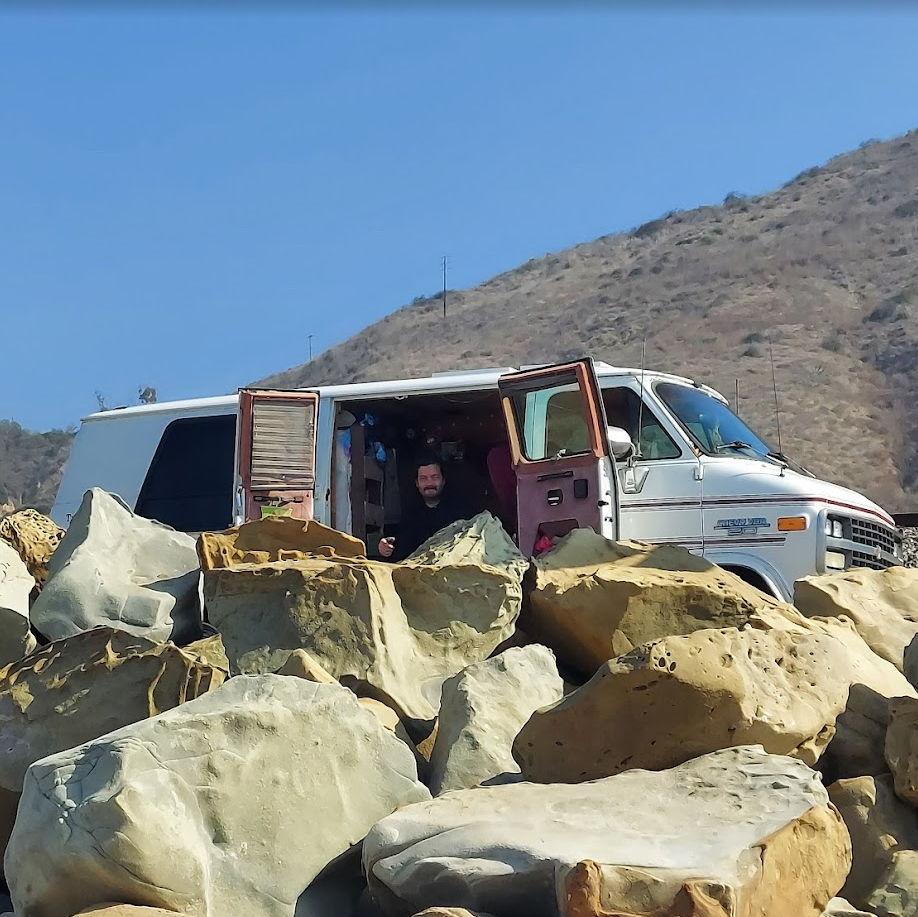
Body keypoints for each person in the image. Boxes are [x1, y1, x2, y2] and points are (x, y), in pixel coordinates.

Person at [378, 454, 464, 561]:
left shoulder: (460, 511)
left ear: (443, 481)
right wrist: (384, 547)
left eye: (435, 477)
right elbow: (400, 542)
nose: (429, 483)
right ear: (417, 483)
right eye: (423, 478)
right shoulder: (410, 514)